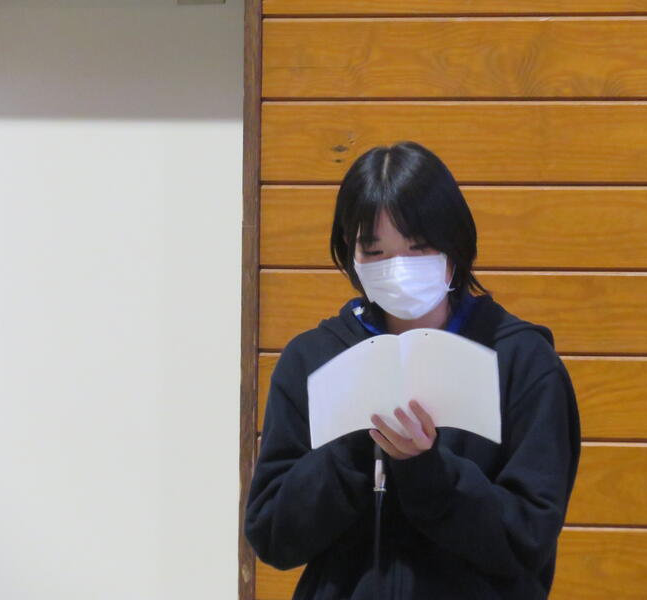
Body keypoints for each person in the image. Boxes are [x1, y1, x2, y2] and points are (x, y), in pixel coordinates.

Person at [244, 141, 581, 599]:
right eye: (376, 251)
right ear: (351, 253)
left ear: (455, 246)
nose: (399, 268)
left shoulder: (522, 361)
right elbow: (273, 535)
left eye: (419, 248)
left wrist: (426, 470)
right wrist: (355, 446)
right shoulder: (313, 359)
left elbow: (526, 540)